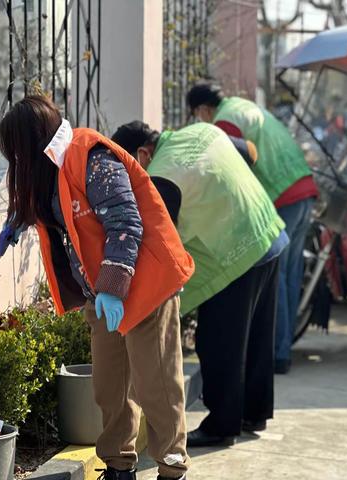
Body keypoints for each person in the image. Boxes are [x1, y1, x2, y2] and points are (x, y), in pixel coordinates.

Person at [0, 95, 195, 480]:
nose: (16, 162)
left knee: (156, 386)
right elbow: (57, 210)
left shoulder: (91, 157)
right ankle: (119, 467)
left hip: (144, 284)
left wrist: (113, 287)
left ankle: (173, 470)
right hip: (103, 294)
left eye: (17, 152)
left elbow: (125, 223)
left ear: (33, 141)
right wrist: (20, 219)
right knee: (110, 388)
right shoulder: (48, 168)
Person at [111, 120, 289, 447]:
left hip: (234, 254)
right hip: (268, 232)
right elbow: (250, 152)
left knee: (218, 340)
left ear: (142, 153)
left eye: (127, 169)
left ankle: (222, 426)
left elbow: (159, 242)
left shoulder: (161, 176)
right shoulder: (199, 131)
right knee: (257, 336)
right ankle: (254, 413)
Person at [187, 82, 319, 374]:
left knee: (278, 275)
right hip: (303, 187)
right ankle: (284, 347)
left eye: (197, 117)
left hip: (281, 194)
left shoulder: (225, 122)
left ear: (202, 109)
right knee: (290, 273)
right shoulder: (245, 106)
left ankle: (278, 354)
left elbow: (229, 169)